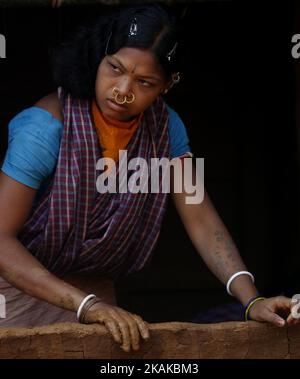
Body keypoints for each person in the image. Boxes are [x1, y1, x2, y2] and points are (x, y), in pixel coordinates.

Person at [0, 4, 298, 355]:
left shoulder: (166, 129)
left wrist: (252, 301)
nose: (123, 90)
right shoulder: (45, 129)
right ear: (99, 57)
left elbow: (201, 220)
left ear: (169, 85)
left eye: (145, 82)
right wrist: (86, 305)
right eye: (114, 68)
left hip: (97, 299)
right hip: (16, 294)